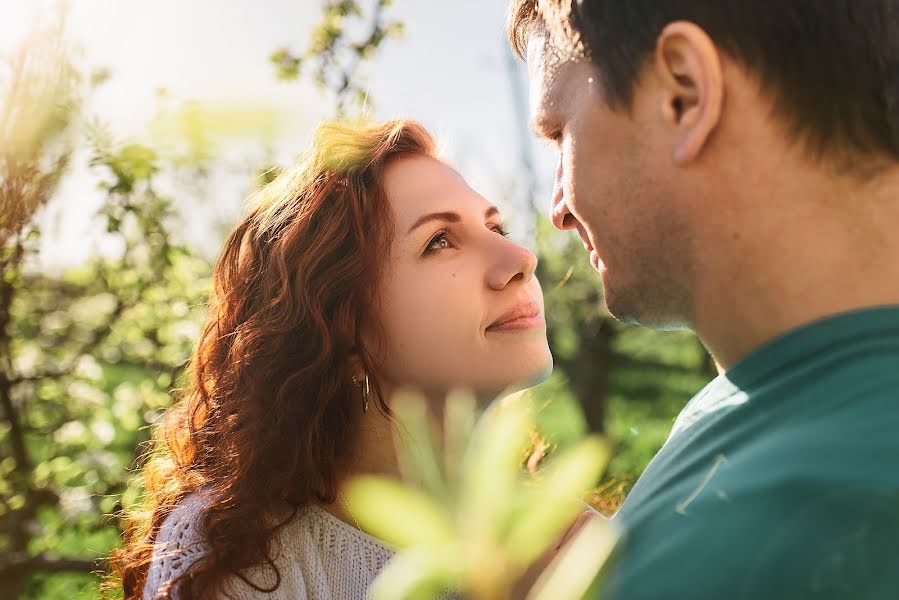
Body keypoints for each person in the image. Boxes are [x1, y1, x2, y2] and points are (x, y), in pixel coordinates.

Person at [507, 0, 899, 598]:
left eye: (561, 133)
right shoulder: (760, 393)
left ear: (684, 95)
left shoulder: (836, 525)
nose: (557, 208)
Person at [106, 119, 553, 599]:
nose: (520, 256)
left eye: (495, 226)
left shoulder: (566, 540)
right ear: (342, 329)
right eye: (439, 241)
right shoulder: (239, 564)